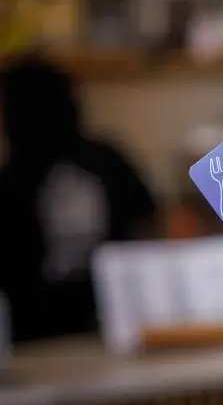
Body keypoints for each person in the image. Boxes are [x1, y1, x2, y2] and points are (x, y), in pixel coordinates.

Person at [0, 54, 157, 342]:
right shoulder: (12, 183)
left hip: (112, 318)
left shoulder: (106, 163)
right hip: (41, 331)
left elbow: (147, 227)